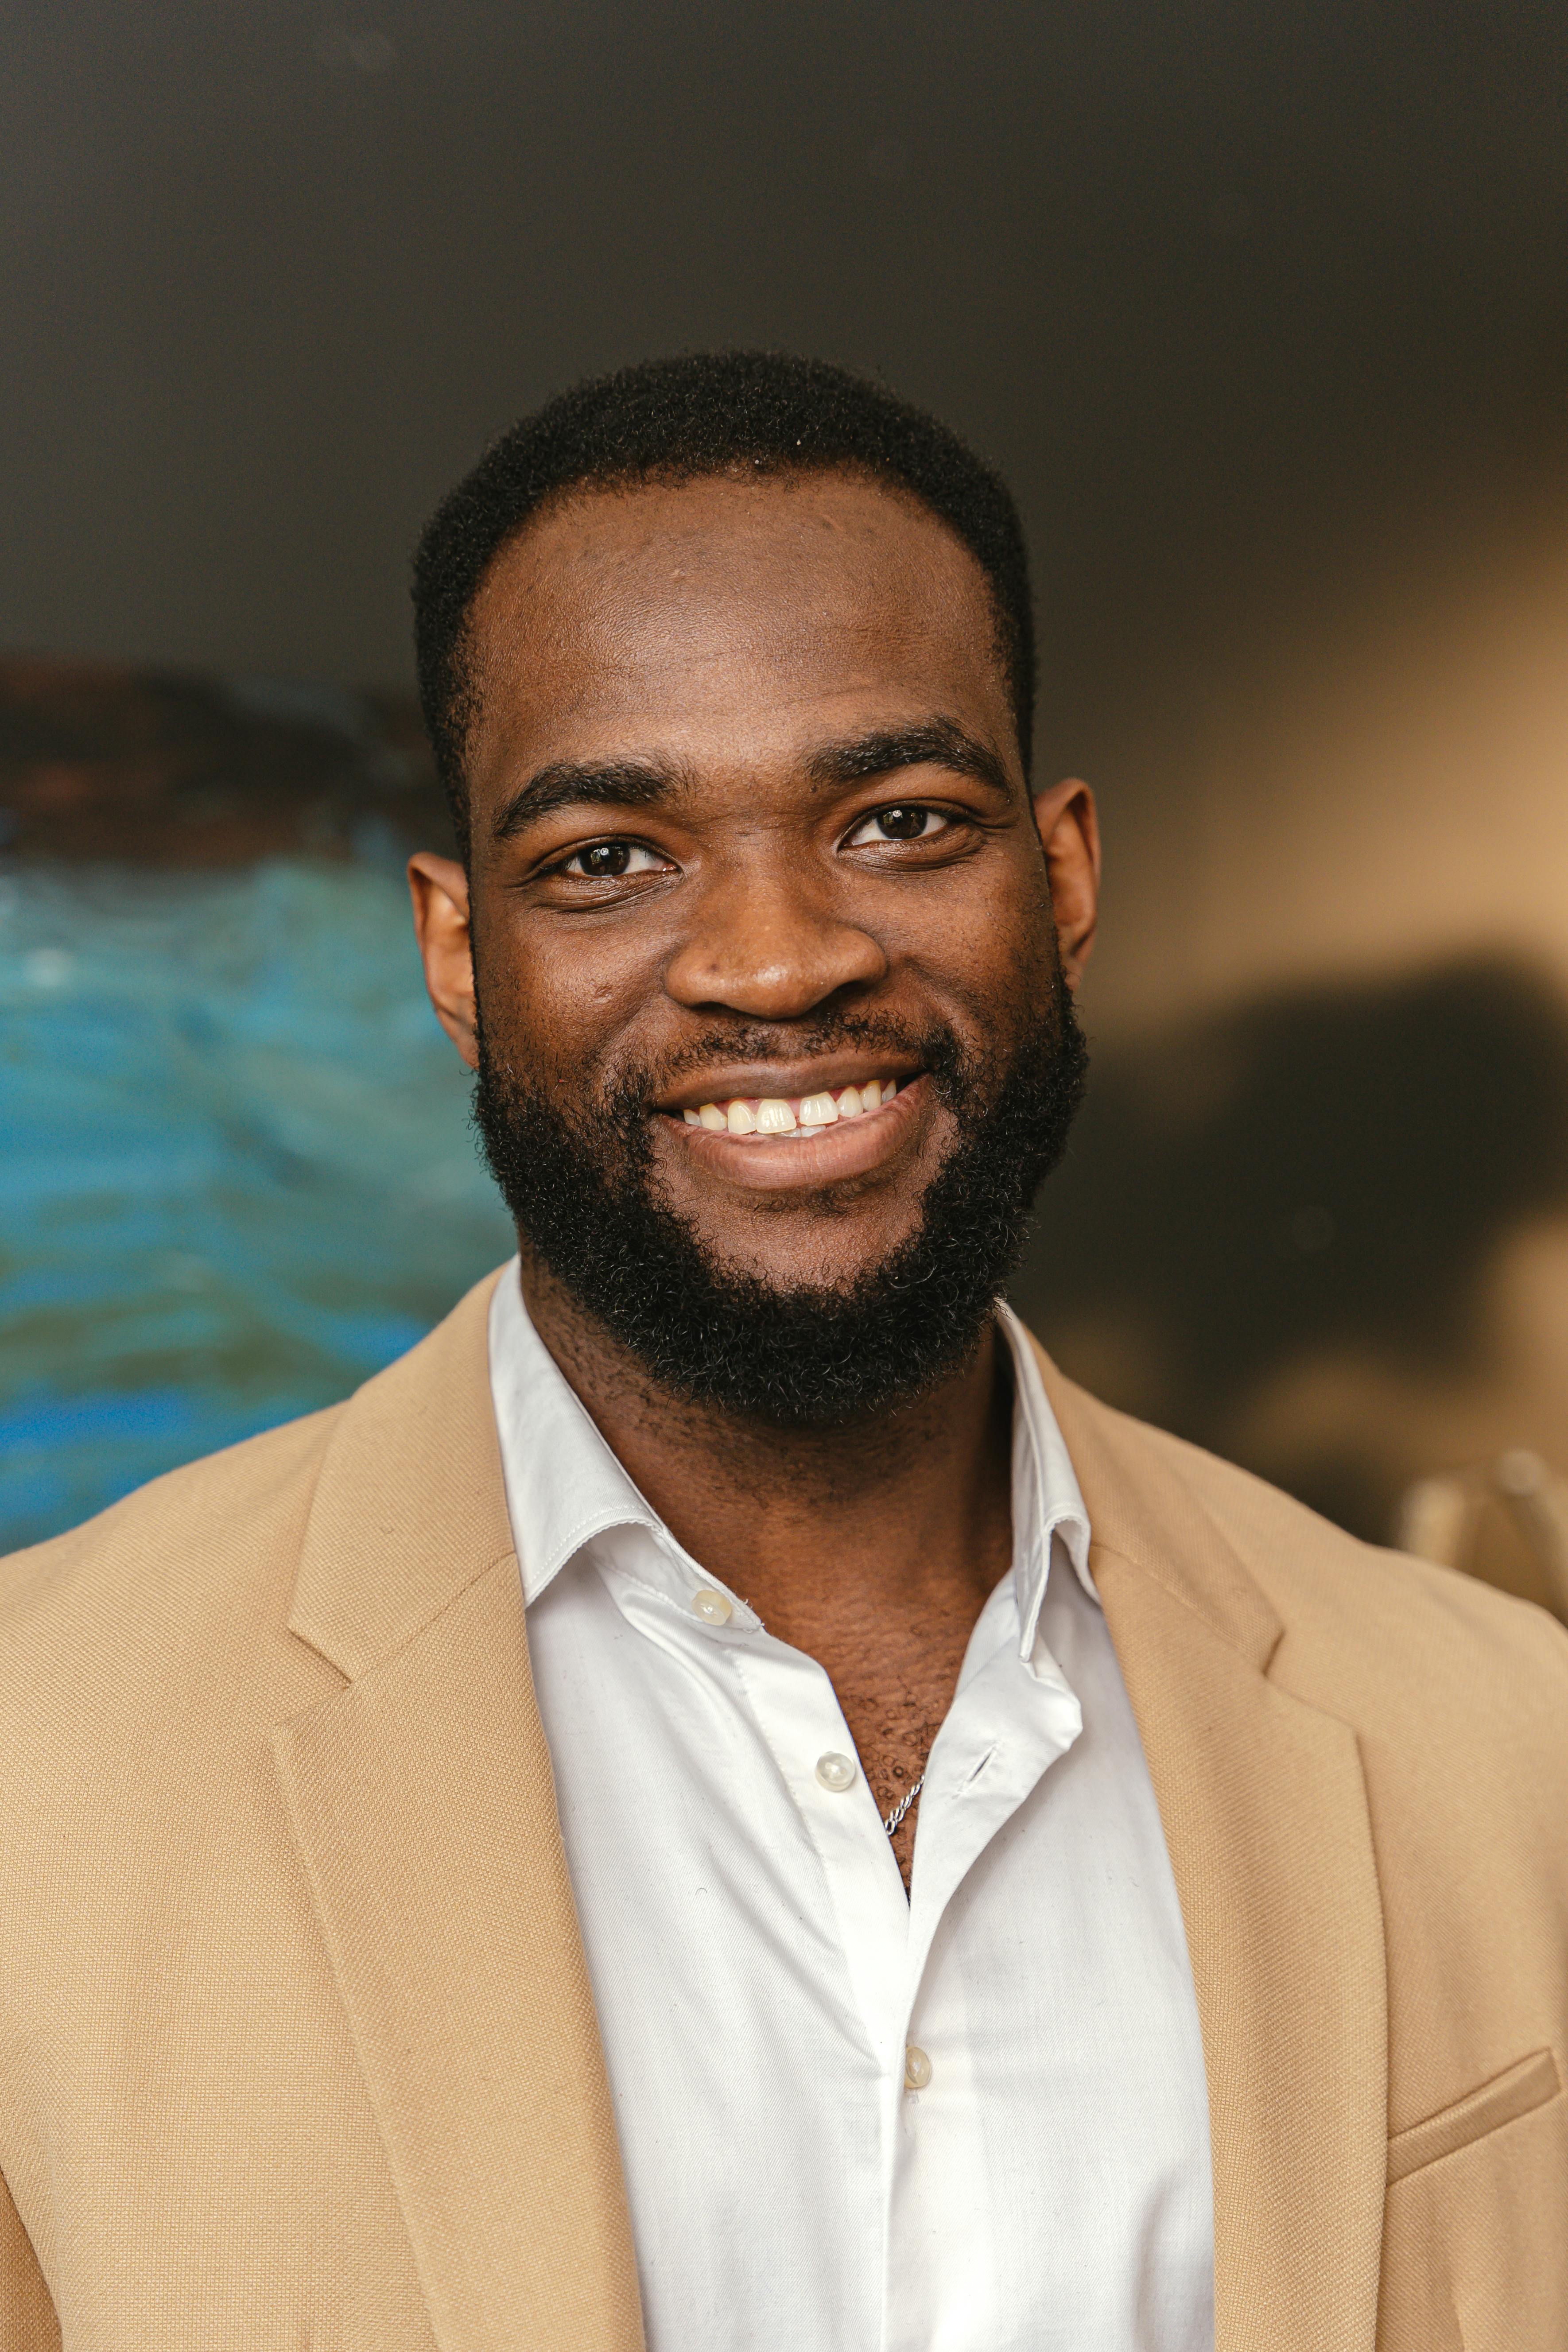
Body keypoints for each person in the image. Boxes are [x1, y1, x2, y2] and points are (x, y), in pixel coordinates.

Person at [1, 353, 1563, 2352]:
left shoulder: (1512, 1746)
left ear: (1062, 876)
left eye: (899, 818)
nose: (775, 956)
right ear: (459, 951)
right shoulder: (37, 1767)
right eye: (607, 857)